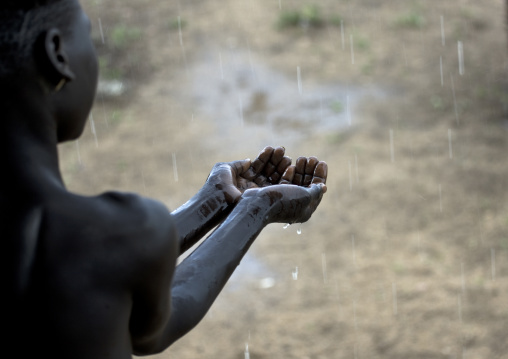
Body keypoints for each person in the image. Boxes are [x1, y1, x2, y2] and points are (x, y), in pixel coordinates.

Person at [1, 0, 328, 357]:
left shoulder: (96, 242)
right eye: (88, 36)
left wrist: (213, 202)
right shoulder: (112, 233)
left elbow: (109, 265)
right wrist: (258, 210)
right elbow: (150, 327)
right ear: (57, 54)